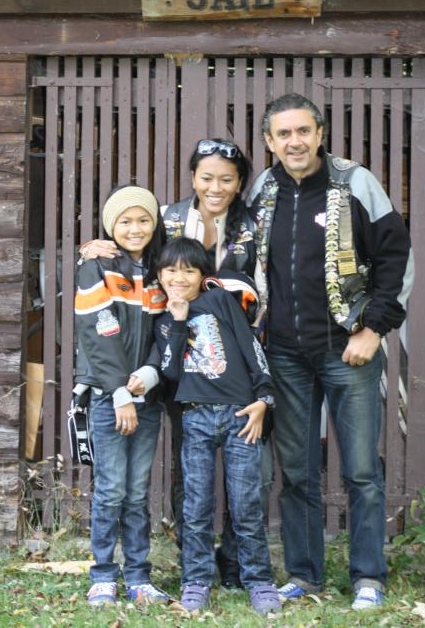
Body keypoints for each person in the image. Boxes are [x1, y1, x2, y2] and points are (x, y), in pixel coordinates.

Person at [78, 138, 273, 589]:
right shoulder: (167, 220)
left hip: (237, 365)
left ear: (240, 183)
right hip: (176, 366)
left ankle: (238, 566)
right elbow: (136, 245)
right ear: (193, 179)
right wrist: (95, 246)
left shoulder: (254, 224)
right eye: (206, 177)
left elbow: (269, 282)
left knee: (249, 477)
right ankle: (193, 566)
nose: (215, 187)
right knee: (187, 472)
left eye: (226, 179)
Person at [247, 93, 415, 611]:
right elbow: (219, 236)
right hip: (285, 355)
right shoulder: (263, 189)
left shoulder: (355, 182)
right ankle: (303, 574)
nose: (294, 141)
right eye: (283, 134)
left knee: (362, 471)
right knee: (297, 472)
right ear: (269, 142)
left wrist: (374, 330)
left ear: (320, 134)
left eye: (304, 131)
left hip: (349, 350)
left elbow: (395, 256)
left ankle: (368, 576)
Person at [154, 236, 281, 615]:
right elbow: (170, 371)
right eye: (171, 271)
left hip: (241, 415)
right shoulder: (164, 321)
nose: (179, 278)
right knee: (196, 506)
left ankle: (258, 580)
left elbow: (251, 346)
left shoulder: (220, 301)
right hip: (195, 417)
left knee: (246, 505)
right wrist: (179, 321)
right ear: (159, 275)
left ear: (202, 276)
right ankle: (196, 580)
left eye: (188, 271)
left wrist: (264, 397)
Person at [74, 185, 171, 607]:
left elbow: (166, 330)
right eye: (125, 221)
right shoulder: (96, 268)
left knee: (136, 491)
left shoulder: (159, 270)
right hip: (107, 397)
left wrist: (150, 373)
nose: (135, 228)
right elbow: (99, 333)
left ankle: (138, 576)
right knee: (111, 488)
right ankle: (102, 575)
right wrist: (119, 392)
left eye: (144, 219)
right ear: (110, 226)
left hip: (146, 395)